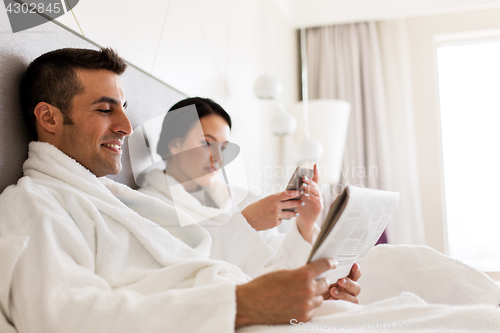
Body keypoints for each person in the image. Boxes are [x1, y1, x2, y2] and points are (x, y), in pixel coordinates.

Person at [0, 47, 361, 333]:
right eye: (105, 109)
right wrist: (243, 304)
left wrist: (308, 291)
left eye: (124, 109)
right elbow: (61, 318)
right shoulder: (34, 204)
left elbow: (206, 267)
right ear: (49, 118)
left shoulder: (120, 200)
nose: (127, 127)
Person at [139, 97, 349, 279]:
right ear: (174, 145)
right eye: (206, 143)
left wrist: (305, 224)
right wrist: (246, 224)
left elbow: (280, 261)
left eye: (223, 148)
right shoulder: (148, 206)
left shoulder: (243, 199)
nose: (218, 158)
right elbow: (182, 275)